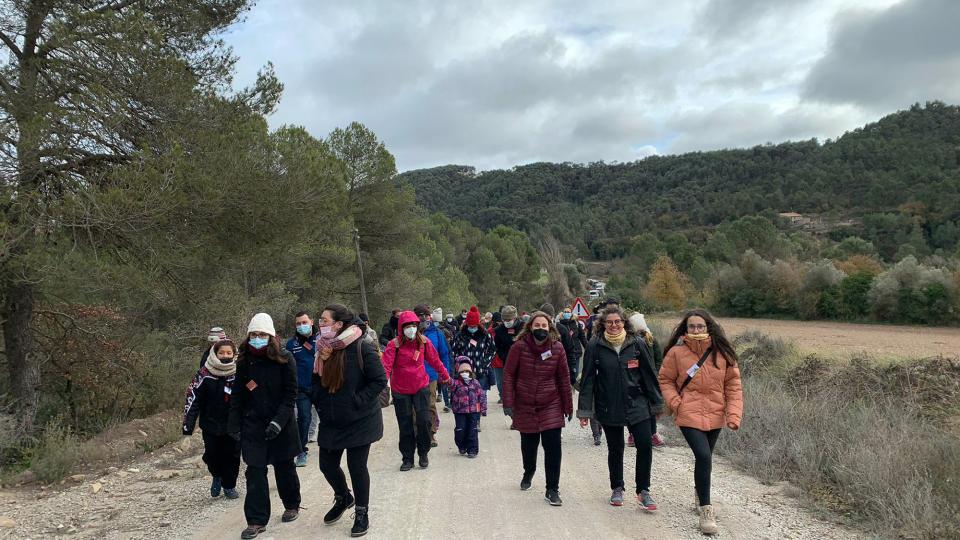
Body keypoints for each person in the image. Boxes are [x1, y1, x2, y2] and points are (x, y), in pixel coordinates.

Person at [658, 309, 743, 536]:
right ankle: (706, 510)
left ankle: (699, 492)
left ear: (708, 328)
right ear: (686, 329)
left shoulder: (722, 353)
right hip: (688, 412)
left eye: (700, 326)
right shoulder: (676, 353)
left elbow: (733, 387)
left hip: (716, 414)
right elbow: (665, 380)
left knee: (705, 458)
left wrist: (733, 415)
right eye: (692, 326)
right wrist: (676, 402)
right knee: (703, 456)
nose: (696, 330)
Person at [311, 304, 387, 538]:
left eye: (324, 320)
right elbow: (316, 381)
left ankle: (362, 512)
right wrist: (320, 402)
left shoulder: (362, 348)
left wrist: (357, 401)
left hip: (360, 419)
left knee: (356, 467)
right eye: (320, 321)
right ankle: (344, 496)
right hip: (332, 419)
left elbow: (379, 380)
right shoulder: (322, 349)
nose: (320, 324)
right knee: (327, 465)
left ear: (339, 324)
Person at [577, 305, 663, 510]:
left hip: (638, 404)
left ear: (624, 323)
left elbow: (649, 376)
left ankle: (643, 491)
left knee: (644, 444)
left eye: (618, 321)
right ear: (603, 324)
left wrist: (656, 403)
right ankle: (617, 488)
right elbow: (587, 380)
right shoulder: (595, 346)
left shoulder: (637, 344)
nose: (614, 325)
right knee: (615, 449)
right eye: (609, 322)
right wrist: (585, 412)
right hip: (608, 405)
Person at [228, 313, 302, 539]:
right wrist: (233, 423)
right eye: (254, 334)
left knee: (284, 467)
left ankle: (291, 504)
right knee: (255, 472)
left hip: (281, 423)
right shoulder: (244, 361)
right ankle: (256, 520)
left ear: (270, 336)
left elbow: (291, 395)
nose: (257, 338)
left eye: (262, 334)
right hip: (253, 425)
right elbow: (238, 395)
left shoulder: (285, 358)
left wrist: (278, 421)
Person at [502, 311, 573, 507]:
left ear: (550, 327)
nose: (540, 329)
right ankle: (529, 471)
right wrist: (508, 403)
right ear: (530, 327)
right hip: (524, 403)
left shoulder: (557, 348)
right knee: (529, 444)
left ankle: (552, 489)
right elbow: (508, 375)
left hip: (551, 402)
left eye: (544, 325)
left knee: (553, 447)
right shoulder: (519, 347)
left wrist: (568, 405)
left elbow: (564, 378)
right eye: (537, 325)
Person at [381, 310, 451, 471]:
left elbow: (435, 361)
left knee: (424, 421)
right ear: (401, 328)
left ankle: (423, 453)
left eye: (413, 325)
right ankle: (407, 458)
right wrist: (381, 384)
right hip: (401, 391)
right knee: (405, 425)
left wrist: (446, 377)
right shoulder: (394, 345)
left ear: (417, 326)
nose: (411, 329)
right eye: (407, 326)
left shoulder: (424, 342)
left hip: (421, 387)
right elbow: (385, 366)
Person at [183, 339, 241, 500]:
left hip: (233, 424)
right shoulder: (203, 374)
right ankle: (216, 475)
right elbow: (193, 399)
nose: (225, 356)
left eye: (229, 353)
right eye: (221, 352)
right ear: (214, 354)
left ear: (234, 354)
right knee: (212, 454)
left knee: (232, 456)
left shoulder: (240, 372)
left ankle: (229, 485)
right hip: (210, 423)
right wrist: (188, 426)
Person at [414, 304, 452, 447]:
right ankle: (417, 433)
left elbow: (444, 354)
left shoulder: (437, 333)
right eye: (420, 315)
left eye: (426, 315)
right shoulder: (409, 333)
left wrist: (445, 374)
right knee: (414, 407)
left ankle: (431, 433)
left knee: (430, 404)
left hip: (431, 375)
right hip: (412, 376)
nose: (423, 318)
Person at [629, 312, 666, 448]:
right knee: (633, 407)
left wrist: (654, 373)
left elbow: (658, 359)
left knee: (650, 408)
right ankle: (633, 434)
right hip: (635, 379)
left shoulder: (651, 340)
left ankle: (652, 433)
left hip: (650, 379)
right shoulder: (630, 340)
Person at [285, 311, 316, 468]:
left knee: (330, 416)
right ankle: (301, 451)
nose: (301, 326)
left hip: (321, 387)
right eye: (298, 323)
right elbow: (288, 367)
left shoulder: (322, 339)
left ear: (311, 321)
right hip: (302, 390)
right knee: (304, 419)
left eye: (304, 322)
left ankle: (333, 444)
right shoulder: (291, 344)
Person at [450, 306, 497, 407]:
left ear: (478, 324)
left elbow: (492, 350)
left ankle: (477, 420)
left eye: (474, 326)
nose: (472, 328)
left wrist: (485, 362)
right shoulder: (460, 335)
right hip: (464, 372)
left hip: (481, 371)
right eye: (470, 326)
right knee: (466, 399)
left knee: (480, 398)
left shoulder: (486, 335)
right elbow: (453, 352)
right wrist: (460, 364)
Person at [449, 357, 487, 457]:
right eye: (462, 371)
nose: (465, 373)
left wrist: (483, 408)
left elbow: (481, 395)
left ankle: (472, 449)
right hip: (460, 411)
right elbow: (449, 383)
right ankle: (461, 446)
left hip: (473, 411)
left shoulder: (475, 383)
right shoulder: (456, 383)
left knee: (472, 430)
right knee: (460, 430)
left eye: (467, 371)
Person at [492, 305, 521, 403]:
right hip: (507, 361)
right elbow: (497, 347)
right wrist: (504, 356)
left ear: (515, 317)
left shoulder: (524, 327)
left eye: (509, 319)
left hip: (522, 362)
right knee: (506, 383)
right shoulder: (499, 330)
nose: (507, 322)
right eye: (505, 320)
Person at [556, 306, 588, 386]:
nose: (567, 313)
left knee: (575, 373)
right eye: (565, 312)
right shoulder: (559, 325)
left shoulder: (576, 324)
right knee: (564, 373)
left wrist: (588, 348)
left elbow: (582, 337)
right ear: (562, 313)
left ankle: (573, 390)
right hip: (564, 353)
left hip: (576, 353)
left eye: (568, 312)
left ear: (571, 313)